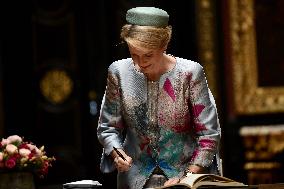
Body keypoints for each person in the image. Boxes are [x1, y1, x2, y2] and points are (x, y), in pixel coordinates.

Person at [97, 6, 221, 189]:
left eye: (148, 55)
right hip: (135, 181)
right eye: (134, 55)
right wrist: (118, 154)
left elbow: (209, 134)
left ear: (164, 45)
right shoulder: (118, 72)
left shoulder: (189, 73)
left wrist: (187, 178)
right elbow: (108, 128)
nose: (140, 64)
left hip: (187, 180)